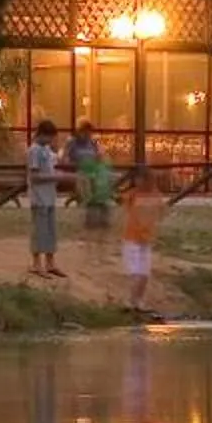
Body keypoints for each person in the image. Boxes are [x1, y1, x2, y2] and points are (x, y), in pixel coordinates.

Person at [121, 169, 170, 316]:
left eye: (141, 179)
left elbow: (161, 212)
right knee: (136, 272)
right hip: (133, 238)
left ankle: (138, 301)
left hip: (145, 239)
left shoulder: (154, 196)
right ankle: (131, 301)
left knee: (144, 273)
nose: (139, 182)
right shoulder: (134, 195)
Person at [27, 119, 68, 278]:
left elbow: (53, 167)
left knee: (50, 230)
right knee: (39, 230)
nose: (51, 141)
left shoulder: (47, 150)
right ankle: (36, 264)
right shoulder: (34, 151)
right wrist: (54, 177)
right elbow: (34, 176)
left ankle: (50, 262)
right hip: (39, 198)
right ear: (43, 134)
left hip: (49, 196)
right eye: (50, 137)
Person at [69, 122, 117, 241]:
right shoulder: (73, 144)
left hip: (95, 175)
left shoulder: (93, 143)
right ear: (80, 132)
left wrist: (99, 157)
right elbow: (68, 159)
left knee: (101, 203)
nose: (87, 135)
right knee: (89, 203)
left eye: (89, 133)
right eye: (85, 132)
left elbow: (101, 155)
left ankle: (102, 231)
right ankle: (87, 232)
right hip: (82, 175)